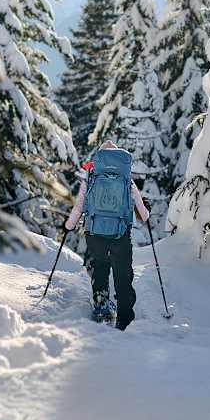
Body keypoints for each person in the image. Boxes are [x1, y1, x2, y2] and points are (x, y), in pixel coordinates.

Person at [65, 140, 150, 330]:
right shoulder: (127, 179)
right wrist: (146, 215)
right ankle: (125, 318)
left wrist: (69, 225)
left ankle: (102, 308)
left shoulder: (91, 176)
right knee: (123, 273)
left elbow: (80, 205)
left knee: (100, 268)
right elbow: (143, 213)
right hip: (120, 233)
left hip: (95, 232)